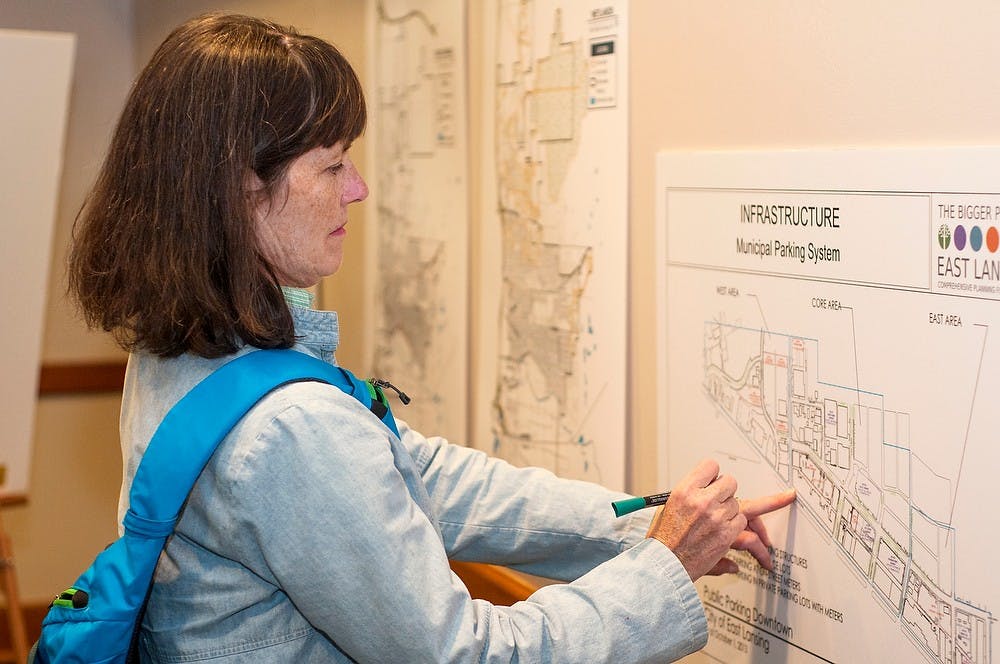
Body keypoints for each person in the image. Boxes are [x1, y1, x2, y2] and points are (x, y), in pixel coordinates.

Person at [68, 12, 796, 663]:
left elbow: (413, 475)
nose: (357, 188)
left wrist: (642, 525)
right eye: (331, 164)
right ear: (239, 191)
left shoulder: (186, 347)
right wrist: (662, 567)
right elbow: (466, 655)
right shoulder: (290, 428)